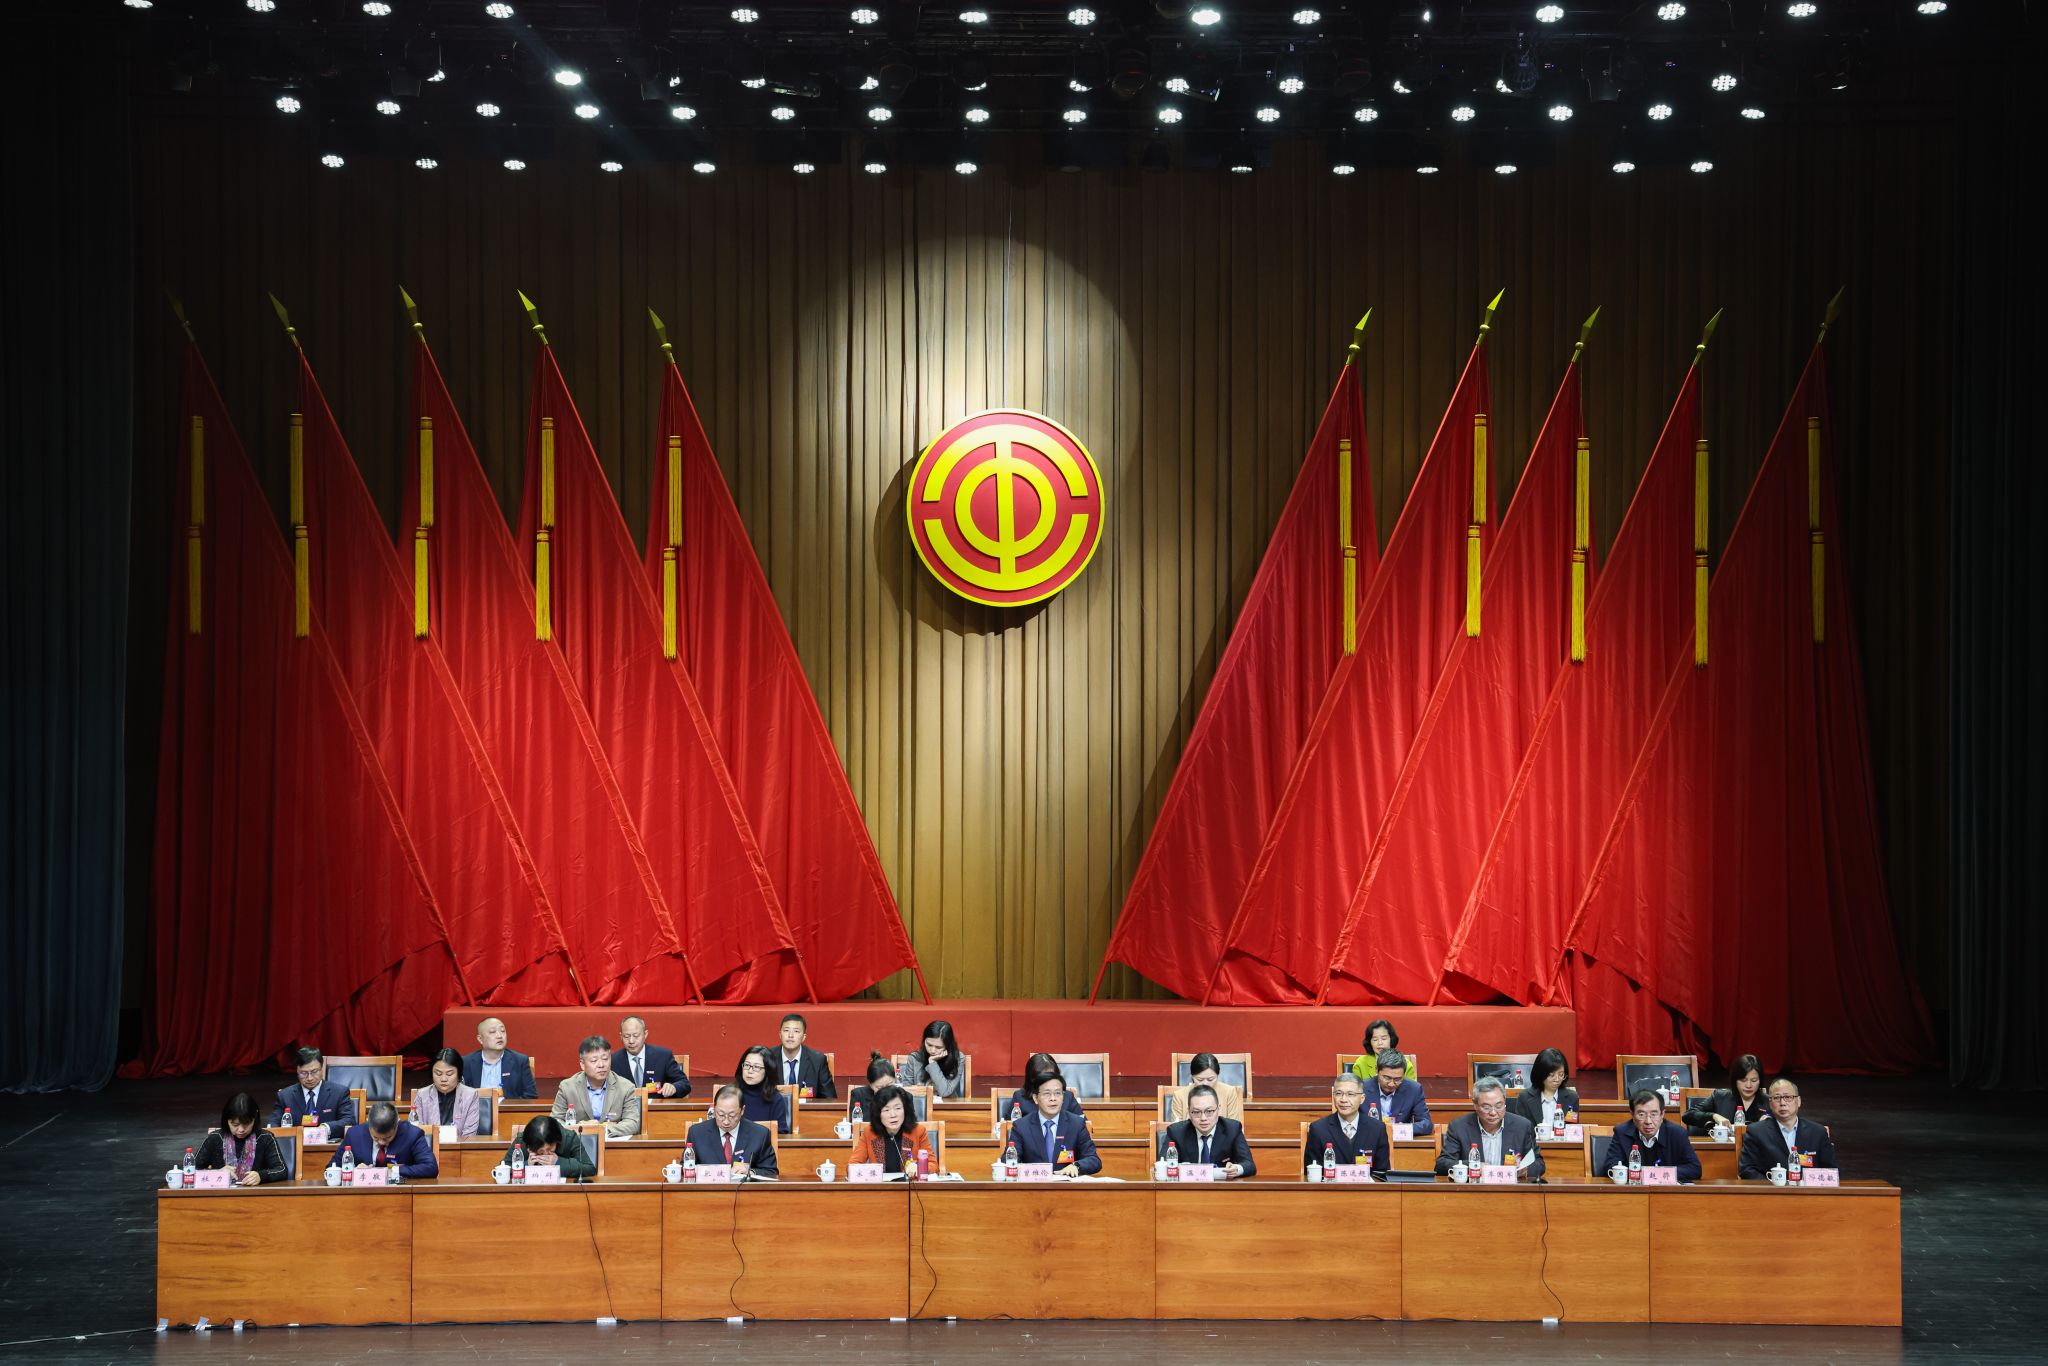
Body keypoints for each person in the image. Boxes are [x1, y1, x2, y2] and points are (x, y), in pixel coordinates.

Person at [1436, 1078, 1545, 1180]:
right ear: (1475, 1105)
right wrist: (1473, 1166)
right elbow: (1441, 1165)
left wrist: (1525, 1169)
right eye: (1486, 1107)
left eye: (1498, 1106)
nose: (1493, 1112)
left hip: (1510, 1189)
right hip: (1474, 1189)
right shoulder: (1459, 1127)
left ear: (1505, 1102)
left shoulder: (1522, 1126)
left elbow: (1539, 1164)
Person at [1738, 1077, 1840, 1179]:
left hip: (1808, 1188)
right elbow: (1747, 1169)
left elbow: (1832, 1171)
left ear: (1798, 1101)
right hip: (1771, 1188)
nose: (1782, 1103)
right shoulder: (1756, 1132)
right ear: (1770, 1103)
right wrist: (1773, 1185)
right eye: (1777, 1098)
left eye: (1788, 1097)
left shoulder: (1818, 1132)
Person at [1006, 1068, 1100, 1176]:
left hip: (1066, 1184)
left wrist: (1076, 1166)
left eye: (1058, 1093)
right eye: (1047, 1094)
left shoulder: (1076, 1124)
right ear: (1035, 1098)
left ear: (1063, 1097)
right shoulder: (1021, 1126)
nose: (1053, 1098)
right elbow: (1008, 1160)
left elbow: (1094, 1160)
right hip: (1034, 1184)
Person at [551, 1035, 643, 1138]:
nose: (601, 1065)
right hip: (578, 1143)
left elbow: (633, 1123)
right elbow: (555, 1121)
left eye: (605, 1059)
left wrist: (602, 1129)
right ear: (582, 1064)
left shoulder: (625, 1087)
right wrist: (580, 1129)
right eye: (594, 1061)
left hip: (611, 1143)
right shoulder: (567, 1087)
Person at [1601, 1090, 1703, 1183]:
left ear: (1662, 1114)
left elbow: (1694, 1169)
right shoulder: (1622, 1132)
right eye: (1641, 1114)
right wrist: (1643, 1175)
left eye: (1654, 1114)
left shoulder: (1677, 1134)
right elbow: (1611, 1165)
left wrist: (1656, 1174)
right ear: (1632, 1114)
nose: (1648, 1121)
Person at [1158, 1083, 1256, 1178]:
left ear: (1218, 1109)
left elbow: (1249, 1165)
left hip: (1221, 1187)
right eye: (1196, 1112)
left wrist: (1237, 1169)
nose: (1203, 1118)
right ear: (1189, 1112)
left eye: (1209, 1111)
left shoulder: (1232, 1129)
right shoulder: (1176, 1132)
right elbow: (1164, 1165)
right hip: (1188, 1187)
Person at [1303, 1073, 1391, 1176]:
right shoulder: (1318, 1129)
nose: (1343, 1099)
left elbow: (1382, 1174)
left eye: (1350, 1094)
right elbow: (1312, 1174)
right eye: (1338, 1093)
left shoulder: (1377, 1129)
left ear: (1362, 1098)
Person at [196, 1092, 291, 1186]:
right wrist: (217, 1173)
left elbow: (281, 1170)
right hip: (221, 1193)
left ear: (255, 1119)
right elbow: (192, 1169)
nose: (241, 1130)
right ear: (226, 1121)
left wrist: (261, 1176)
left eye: (246, 1124)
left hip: (255, 1193)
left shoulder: (265, 1138)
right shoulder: (215, 1138)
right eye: (235, 1125)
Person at [684, 1084, 779, 1176]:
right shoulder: (697, 1133)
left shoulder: (760, 1134)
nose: (726, 1121)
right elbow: (685, 1169)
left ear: (742, 1110)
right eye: (721, 1115)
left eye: (732, 1115)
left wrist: (750, 1172)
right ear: (714, 1109)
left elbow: (771, 1172)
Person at [329, 1101, 438, 1180]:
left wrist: (392, 1171)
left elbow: (431, 1167)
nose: (381, 1142)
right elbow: (332, 1167)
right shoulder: (354, 1134)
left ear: (397, 1124)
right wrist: (354, 1171)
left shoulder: (412, 1134)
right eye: (376, 1138)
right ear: (368, 1123)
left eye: (387, 1138)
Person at [268, 1046, 356, 1136]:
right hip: (297, 1143)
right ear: (297, 1071)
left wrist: (326, 1128)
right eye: (304, 1073)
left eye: (314, 1072)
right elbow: (273, 1124)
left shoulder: (339, 1092)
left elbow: (349, 1120)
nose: (309, 1078)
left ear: (321, 1068)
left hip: (327, 1142)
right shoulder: (285, 1096)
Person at [850, 1083, 934, 1174]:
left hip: (909, 1183)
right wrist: (870, 1173)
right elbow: (852, 1166)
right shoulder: (869, 1133)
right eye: (886, 1110)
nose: (893, 1115)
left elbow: (933, 1165)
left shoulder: (918, 1131)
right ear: (878, 1114)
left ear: (905, 1110)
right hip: (882, 1183)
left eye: (898, 1108)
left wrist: (917, 1169)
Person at [1686, 1053, 1769, 1135]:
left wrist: (1772, 1123)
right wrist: (1714, 1116)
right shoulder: (1720, 1097)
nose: (1748, 1085)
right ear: (1735, 1080)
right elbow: (1688, 1115)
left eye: (1754, 1081)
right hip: (1724, 1143)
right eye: (1743, 1080)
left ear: (1760, 1081)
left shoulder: (1769, 1101)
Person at [410, 1047, 483, 1138]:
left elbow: (469, 1135)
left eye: (449, 1074)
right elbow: (416, 1132)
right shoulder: (422, 1095)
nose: (443, 1079)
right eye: (438, 1074)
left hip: (461, 1146)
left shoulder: (470, 1095)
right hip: (428, 1146)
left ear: (459, 1074)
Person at [461, 1017, 537, 1100]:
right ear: (480, 1039)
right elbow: (459, 1096)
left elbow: (531, 1096)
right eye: (492, 1032)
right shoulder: (466, 1063)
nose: (499, 1036)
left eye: (502, 1031)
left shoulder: (520, 1061)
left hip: (507, 1108)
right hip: (476, 1108)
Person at [616, 1015, 691, 1099]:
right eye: (626, 1036)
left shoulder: (663, 1056)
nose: (631, 1041)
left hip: (655, 1106)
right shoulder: (613, 1061)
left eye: (636, 1036)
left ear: (645, 1034)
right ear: (621, 1036)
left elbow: (684, 1084)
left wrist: (674, 1087)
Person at [1507, 1047, 1579, 1131]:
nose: (1557, 1079)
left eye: (1561, 1074)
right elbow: (1521, 1130)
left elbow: (1572, 1130)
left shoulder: (1572, 1098)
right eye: (1551, 1075)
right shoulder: (1525, 1097)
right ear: (1541, 1074)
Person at [1002, 1052, 1086, 1123]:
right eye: (1043, 1079)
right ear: (1031, 1079)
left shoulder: (1068, 1097)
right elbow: (1007, 1127)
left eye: (1051, 1077)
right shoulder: (1020, 1097)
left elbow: (1084, 1126)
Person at [505, 1114, 596, 1180]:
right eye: (541, 1152)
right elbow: (504, 1169)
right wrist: (526, 1165)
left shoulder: (569, 1138)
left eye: (549, 1149)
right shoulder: (522, 1141)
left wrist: (558, 1162)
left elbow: (589, 1168)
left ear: (557, 1140)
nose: (546, 1154)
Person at [770, 1013, 837, 1100]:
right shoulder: (768, 1058)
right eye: (786, 1030)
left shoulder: (818, 1060)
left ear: (803, 1037)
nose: (790, 1035)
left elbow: (830, 1099)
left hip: (807, 1108)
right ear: (780, 1034)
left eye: (796, 1031)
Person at [1364, 1050, 1433, 1134]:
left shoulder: (1413, 1089)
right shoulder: (1362, 1088)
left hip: (1399, 1138)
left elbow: (1426, 1124)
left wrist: (1403, 1128)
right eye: (1387, 1078)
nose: (1391, 1084)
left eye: (1397, 1079)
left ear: (1404, 1074)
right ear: (1377, 1070)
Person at [897, 1019, 967, 1100]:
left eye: (938, 1047)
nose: (933, 1050)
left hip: (946, 1105)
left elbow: (945, 1092)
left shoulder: (957, 1058)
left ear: (948, 1046)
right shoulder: (914, 1058)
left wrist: (932, 1063)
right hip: (920, 1105)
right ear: (924, 1040)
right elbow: (906, 1091)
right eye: (929, 1045)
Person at [1168, 1052, 1245, 1123]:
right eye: (1200, 1079)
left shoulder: (1229, 1092)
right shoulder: (1179, 1096)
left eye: (1210, 1079)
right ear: (1192, 1077)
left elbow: (1234, 1127)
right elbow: (1176, 1129)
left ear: (1217, 1075)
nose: (1205, 1083)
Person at [735, 1045, 794, 1134]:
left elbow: (780, 1133)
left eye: (756, 1067)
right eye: (747, 1065)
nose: (750, 1071)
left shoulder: (776, 1099)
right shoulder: (731, 1095)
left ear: (768, 1071)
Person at [1350, 1019, 1418, 1084]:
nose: (1380, 1043)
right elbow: (1356, 1089)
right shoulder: (1361, 1063)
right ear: (1369, 1042)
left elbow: (1411, 1090)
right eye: (1375, 1039)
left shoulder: (1406, 1064)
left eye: (1384, 1038)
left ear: (1391, 1039)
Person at [846, 1053, 906, 1123]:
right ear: (870, 1084)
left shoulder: (903, 1095)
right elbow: (855, 1124)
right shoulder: (858, 1095)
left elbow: (909, 1123)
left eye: (889, 1085)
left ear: (895, 1079)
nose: (885, 1090)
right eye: (879, 1087)